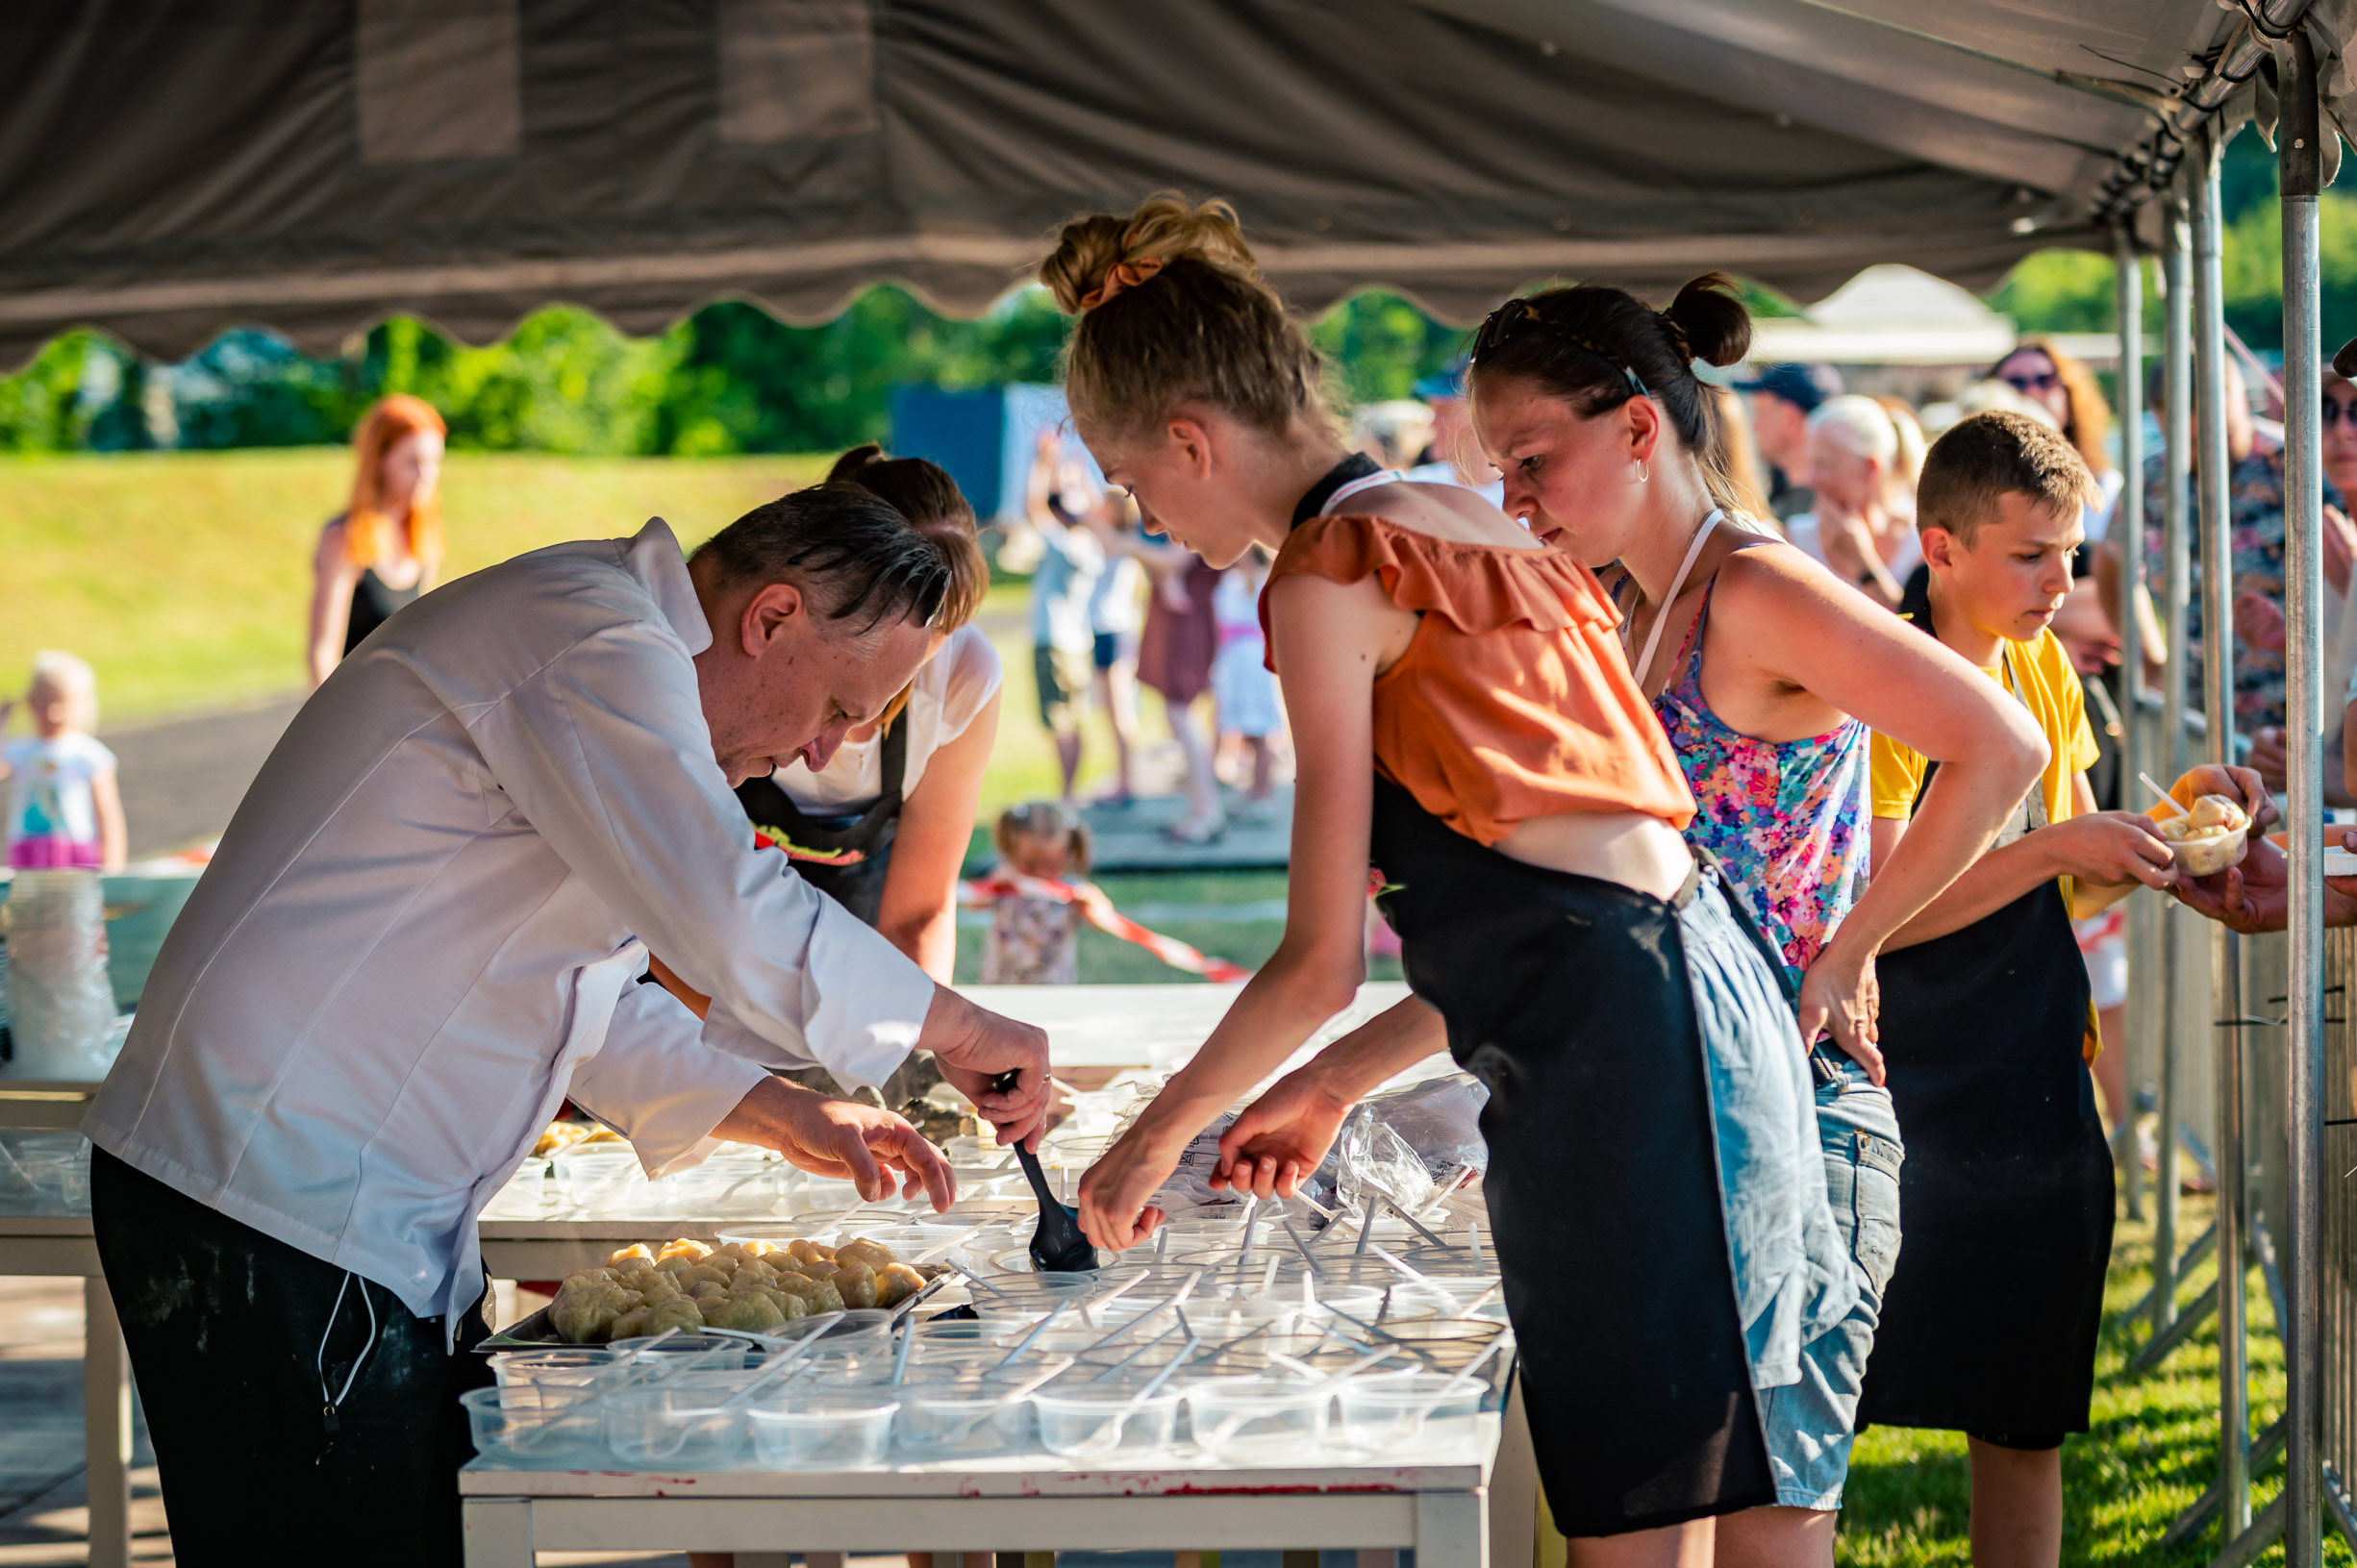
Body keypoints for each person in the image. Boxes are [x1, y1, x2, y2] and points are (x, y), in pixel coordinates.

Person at [1042, 194, 1839, 1562]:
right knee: (1714, 1489)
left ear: (1190, 439)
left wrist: (1150, 1138)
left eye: (1132, 484)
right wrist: (1322, 1085)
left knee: (1635, 1512)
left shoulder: (1324, 573)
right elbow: (1569, 894)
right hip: (1694, 1002)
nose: (1146, 518)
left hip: (1625, 1052)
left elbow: (1319, 960)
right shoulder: (1465, 517)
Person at [84, 484, 1050, 1568]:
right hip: (273, 1192)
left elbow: (586, 994)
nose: (819, 751)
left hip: (327, 1207)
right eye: (834, 706)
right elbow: (728, 909)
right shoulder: (592, 637)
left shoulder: (606, 655)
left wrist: (787, 1112)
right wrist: (955, 1025)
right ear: (772, 615)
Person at [1465, 277, 2047, 1559]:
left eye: (1529, 459)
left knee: (1761, 1534)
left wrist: (1852, 945)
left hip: (1790, 1117)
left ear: (1636, 427)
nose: (1513, 496)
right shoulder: (1628, 605)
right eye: (1498, 468)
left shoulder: (1755, 587)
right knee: (1625, 1531)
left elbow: (1999, 744)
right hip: (1653, 1121)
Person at [1860, 411, 2192, 1568]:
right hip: (1903, 1072)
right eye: (2032, 554)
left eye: (2073, 553)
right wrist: (2057, 850)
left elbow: (2074, 882)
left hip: (2036, 1063)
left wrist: (2169, 833)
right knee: (1835, 1395)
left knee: (2025, 1407)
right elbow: (1880, 918)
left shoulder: (2046, 664)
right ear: (1941, 548)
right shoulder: (1887, 680)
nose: (2064, 582)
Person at [726, 446, 999, 979]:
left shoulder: (962, 678)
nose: (917, 654)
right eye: (904, 619)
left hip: (854, 959)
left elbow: (919, 917)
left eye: (943, 626)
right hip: (707, 950)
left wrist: (915, 1028)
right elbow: (674, 898)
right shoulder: (744, 651)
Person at [309, 394, 446, 688]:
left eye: (435, 462)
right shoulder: (343, 539)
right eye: (413, 463)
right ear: (380, 460)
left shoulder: (423, 539)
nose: (427, 475)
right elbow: (323, 653)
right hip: (353, 703)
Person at [1022, 429, 1106, 800]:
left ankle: (1066, 794)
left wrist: (1043, 463)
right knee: (1077, 720)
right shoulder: (1092, 545)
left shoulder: (1062, 544)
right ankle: (1073, 791)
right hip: (1079, 642)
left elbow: (1034, 507)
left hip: (1053, 642)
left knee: (1059, 723)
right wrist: (1075, 474)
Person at [1134, 535, 1227, 844]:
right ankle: (1200, 809)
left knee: (1181, 715)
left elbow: (1175, 561)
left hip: (1186, 619)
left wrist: (1126, 544)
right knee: (1180, 716)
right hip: (1184, 616)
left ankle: (1207, 811)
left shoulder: (1199, 519)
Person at [1788, 395, 1921, 609]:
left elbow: (1916, 627)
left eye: (1824, 465)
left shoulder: (1921, 543)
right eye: (1811, 464)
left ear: (1870, 469)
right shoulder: (1794, 542)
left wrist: (1864, 567)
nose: (1811, 479)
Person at [1, 651, 127, 872]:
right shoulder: (19, 751)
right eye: (44, 702)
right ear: (30, 702)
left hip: (75, 854)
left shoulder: (89, 755)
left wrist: (112, 869)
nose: (52, 713)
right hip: (28, 852)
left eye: (61, 703)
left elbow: (108, 816)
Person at [1991, 338, 2123, 540]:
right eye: (2015, 383)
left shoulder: (2107, 486)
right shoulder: (1973, 488)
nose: (2032, 392)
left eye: (2046, 380)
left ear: (2070, 393)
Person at [980, 801, 1092, 983]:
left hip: (1053, 987)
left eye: (1052, 865)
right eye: (1030, 865)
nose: (1042, 873)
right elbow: (974, 903)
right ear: (1011, 852)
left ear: (1068, 854)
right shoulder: (1006, 884)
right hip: (1002, 984)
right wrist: (994, 887)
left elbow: (1100, 921)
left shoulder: (1071, 891)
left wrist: (1090, 902)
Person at [1086, 492, 1147, 806]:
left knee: (1119, 709)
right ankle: (1122, 779)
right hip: (1105, 631)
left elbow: (1087, 518)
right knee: (1110, 710)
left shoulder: (1120, 540)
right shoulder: (1113, 538)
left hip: (1114, 631)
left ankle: (1126, 783)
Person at [1212, 547, 1282, 807]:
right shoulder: (1230, 582)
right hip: (1233, 662)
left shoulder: (1259, 581)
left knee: (1259, 729)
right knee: (1239, 727)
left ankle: (1263, 792)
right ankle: (1252, 789)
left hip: (1252, 663)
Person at [1731, 362, 1843, 522]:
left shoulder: (1821, 516)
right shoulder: (1832, 504)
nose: (1755, 426)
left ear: (1789, 420)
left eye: (1760, 412)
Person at [1405, 361, 1506, 503]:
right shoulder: (1416, 486)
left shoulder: (1521, 500)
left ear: (1484, 415)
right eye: (1434, 411)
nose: (1432, 424)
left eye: (1445, 411)